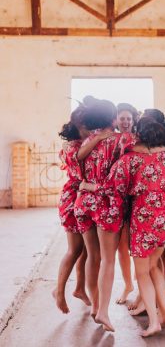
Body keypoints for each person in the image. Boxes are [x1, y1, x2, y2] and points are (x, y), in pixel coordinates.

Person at [104, 117, 165, 337]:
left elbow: (113, 185)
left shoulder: (130, 160)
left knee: (142, 273)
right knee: (154, 266)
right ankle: (163, 313)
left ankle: (154, 322)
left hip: (144, 220)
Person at [75, 98, 129, 332]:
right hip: (107, 203)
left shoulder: (87, 140)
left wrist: (88, 187)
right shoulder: (120, 142)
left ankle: (95, 306)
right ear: (112, 118)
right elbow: (117, 181)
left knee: (92, 257)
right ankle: (104, 312)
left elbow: (77, 161)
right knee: (108, 259)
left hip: (84, 203)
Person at [53, 106, 91, 314]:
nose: (92, 130)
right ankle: (58, 292)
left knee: (85, 250)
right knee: (74, 249)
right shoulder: (72, 146)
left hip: (85, 197)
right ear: (79, 126)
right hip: (73, 197)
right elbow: (77, 158)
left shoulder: (86, 141)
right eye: (88, 126)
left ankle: (79, 288)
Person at [115, 102, 138, 304]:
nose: (125, 122)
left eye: (129, 118)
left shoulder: (139, 139)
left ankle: (144, 288)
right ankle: (128, 284)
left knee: (139, 246)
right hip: (120, 197)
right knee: (122, 246)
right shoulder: (112, 140)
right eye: (122, 118)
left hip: (139, 198)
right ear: (116, 120)